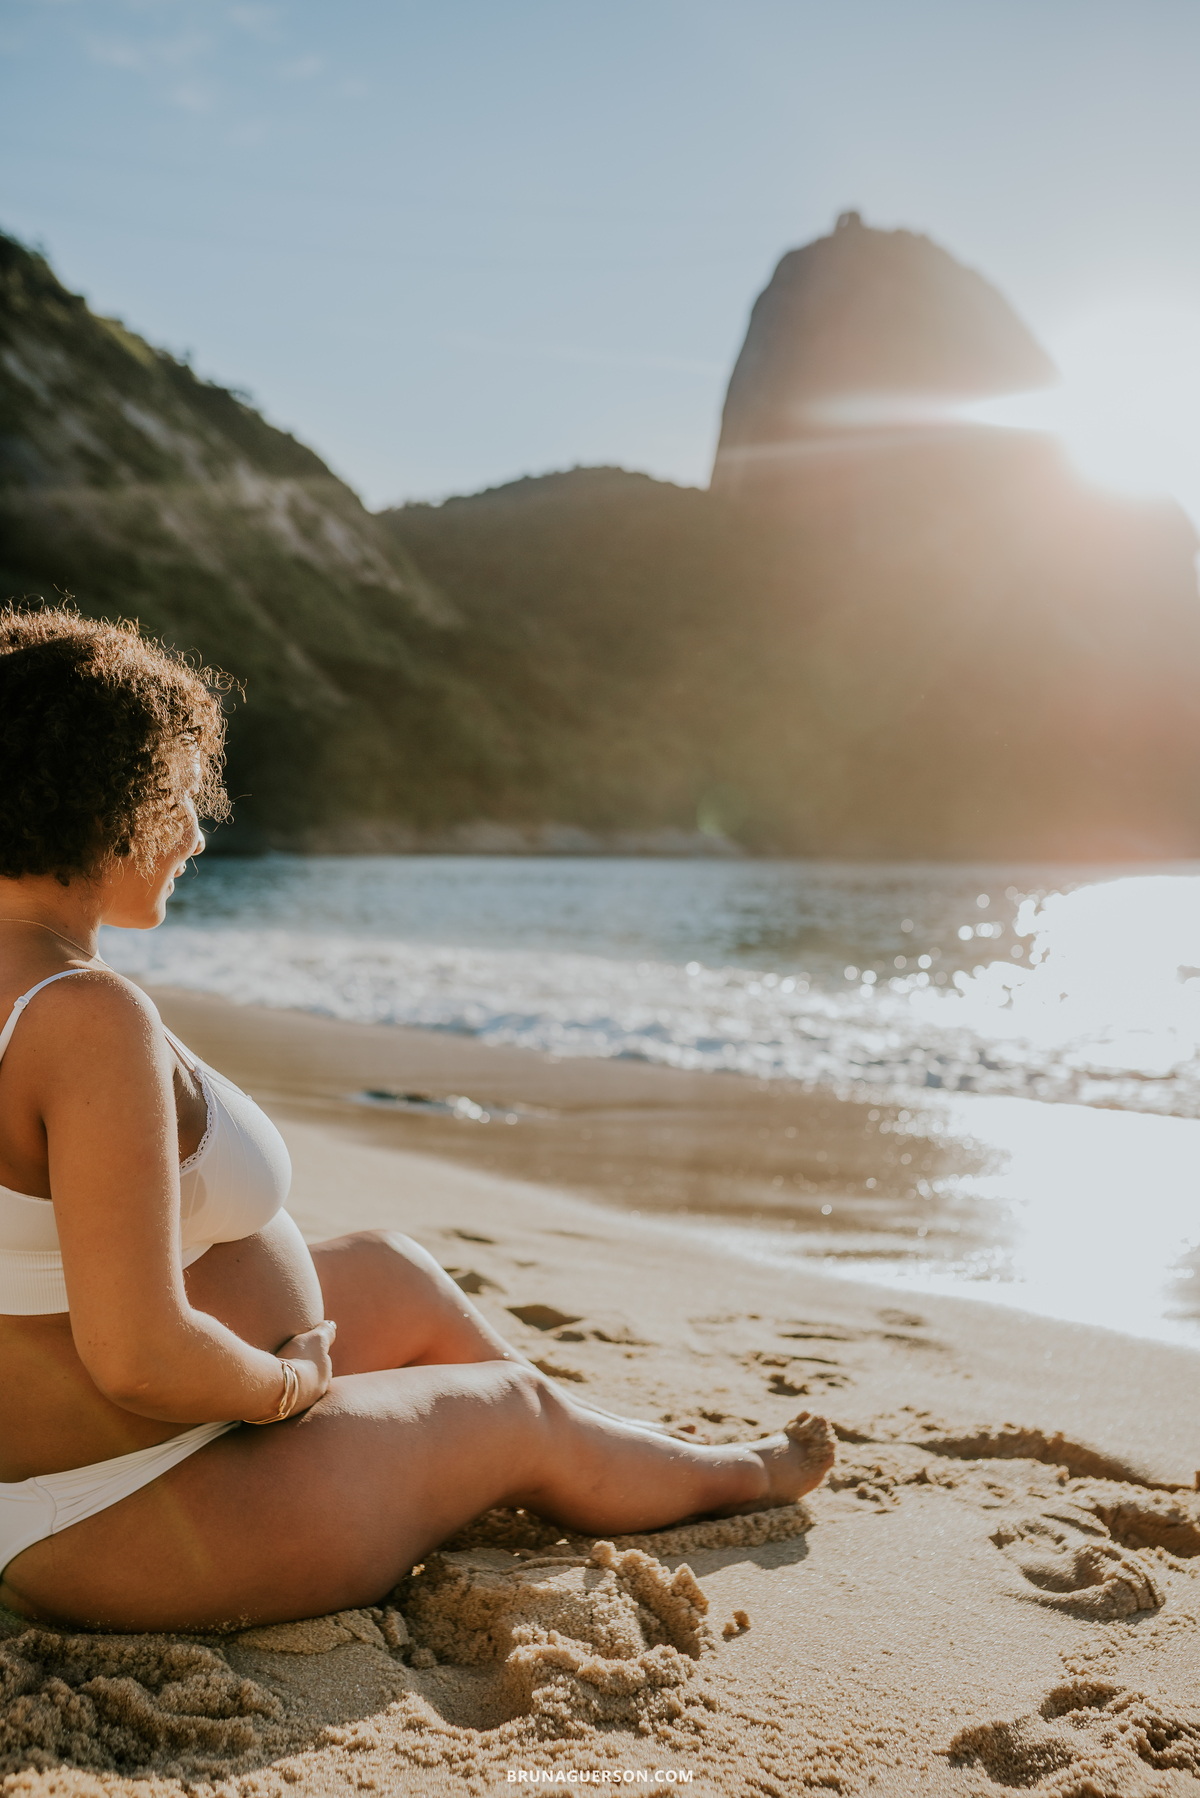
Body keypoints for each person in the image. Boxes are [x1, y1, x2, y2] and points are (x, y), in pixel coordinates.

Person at [0, 604, 835, 1634]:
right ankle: (711, 1468)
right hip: (123, 1505)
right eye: (177, 797)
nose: (196, 834)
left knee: (393, 1270)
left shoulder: (45, 990)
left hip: (92, 1467)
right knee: (513, 1415)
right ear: (100, 794)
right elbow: (139, 1356)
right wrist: (286, 1383)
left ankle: (608, 1442)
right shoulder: (83, 1017)